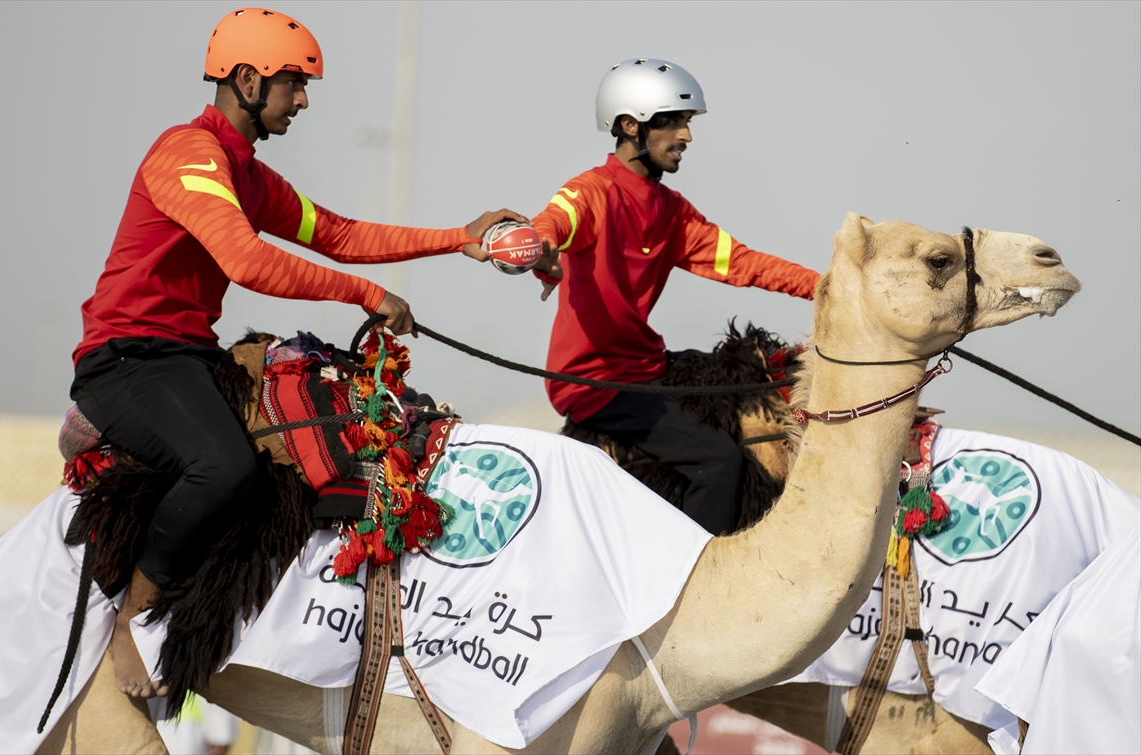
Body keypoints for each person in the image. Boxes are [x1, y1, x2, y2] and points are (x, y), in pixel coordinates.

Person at [70, 7, 526, 699]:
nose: (304, 101)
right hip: (128, 360)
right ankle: (129, 618)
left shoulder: (250, 176)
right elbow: (247, 262)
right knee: (224, 469)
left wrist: (455, 236)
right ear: (250, 80)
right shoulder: (188, 153)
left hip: (193, 358)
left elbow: (338, 233)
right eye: (295, 84)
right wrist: (366, 296)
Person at [529, 58, 819, 536]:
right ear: (629, 126)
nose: (686, 136)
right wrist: (537, 247)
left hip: (648, 366)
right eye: (673, 122)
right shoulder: (590, 192)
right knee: (719, 462)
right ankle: (691, 591)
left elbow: (745, 264)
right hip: (594, 383)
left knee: (762, 378)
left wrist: (829, 288)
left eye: (686, 122)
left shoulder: (673, 211)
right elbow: (551, 225)